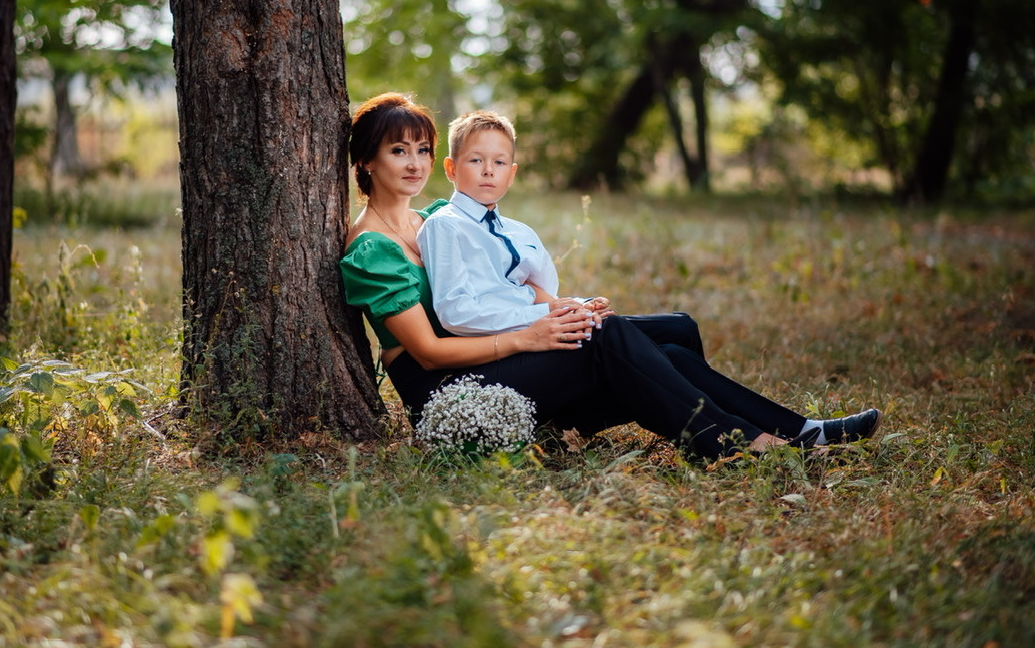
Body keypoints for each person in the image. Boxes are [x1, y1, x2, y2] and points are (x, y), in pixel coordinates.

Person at [339, 93, 880, 462]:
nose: (414, 163)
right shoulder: (372, 250)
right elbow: (430, 353)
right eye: (397, 151)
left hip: (492, 349)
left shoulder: (432, 217)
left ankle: (794, 429)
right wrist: (530, 335)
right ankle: (734, 442)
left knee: (674, 335)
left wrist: (559, 306)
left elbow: (504, 283)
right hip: (449, 388)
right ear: (366, 161)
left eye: (423, 150)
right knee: (614, 337)